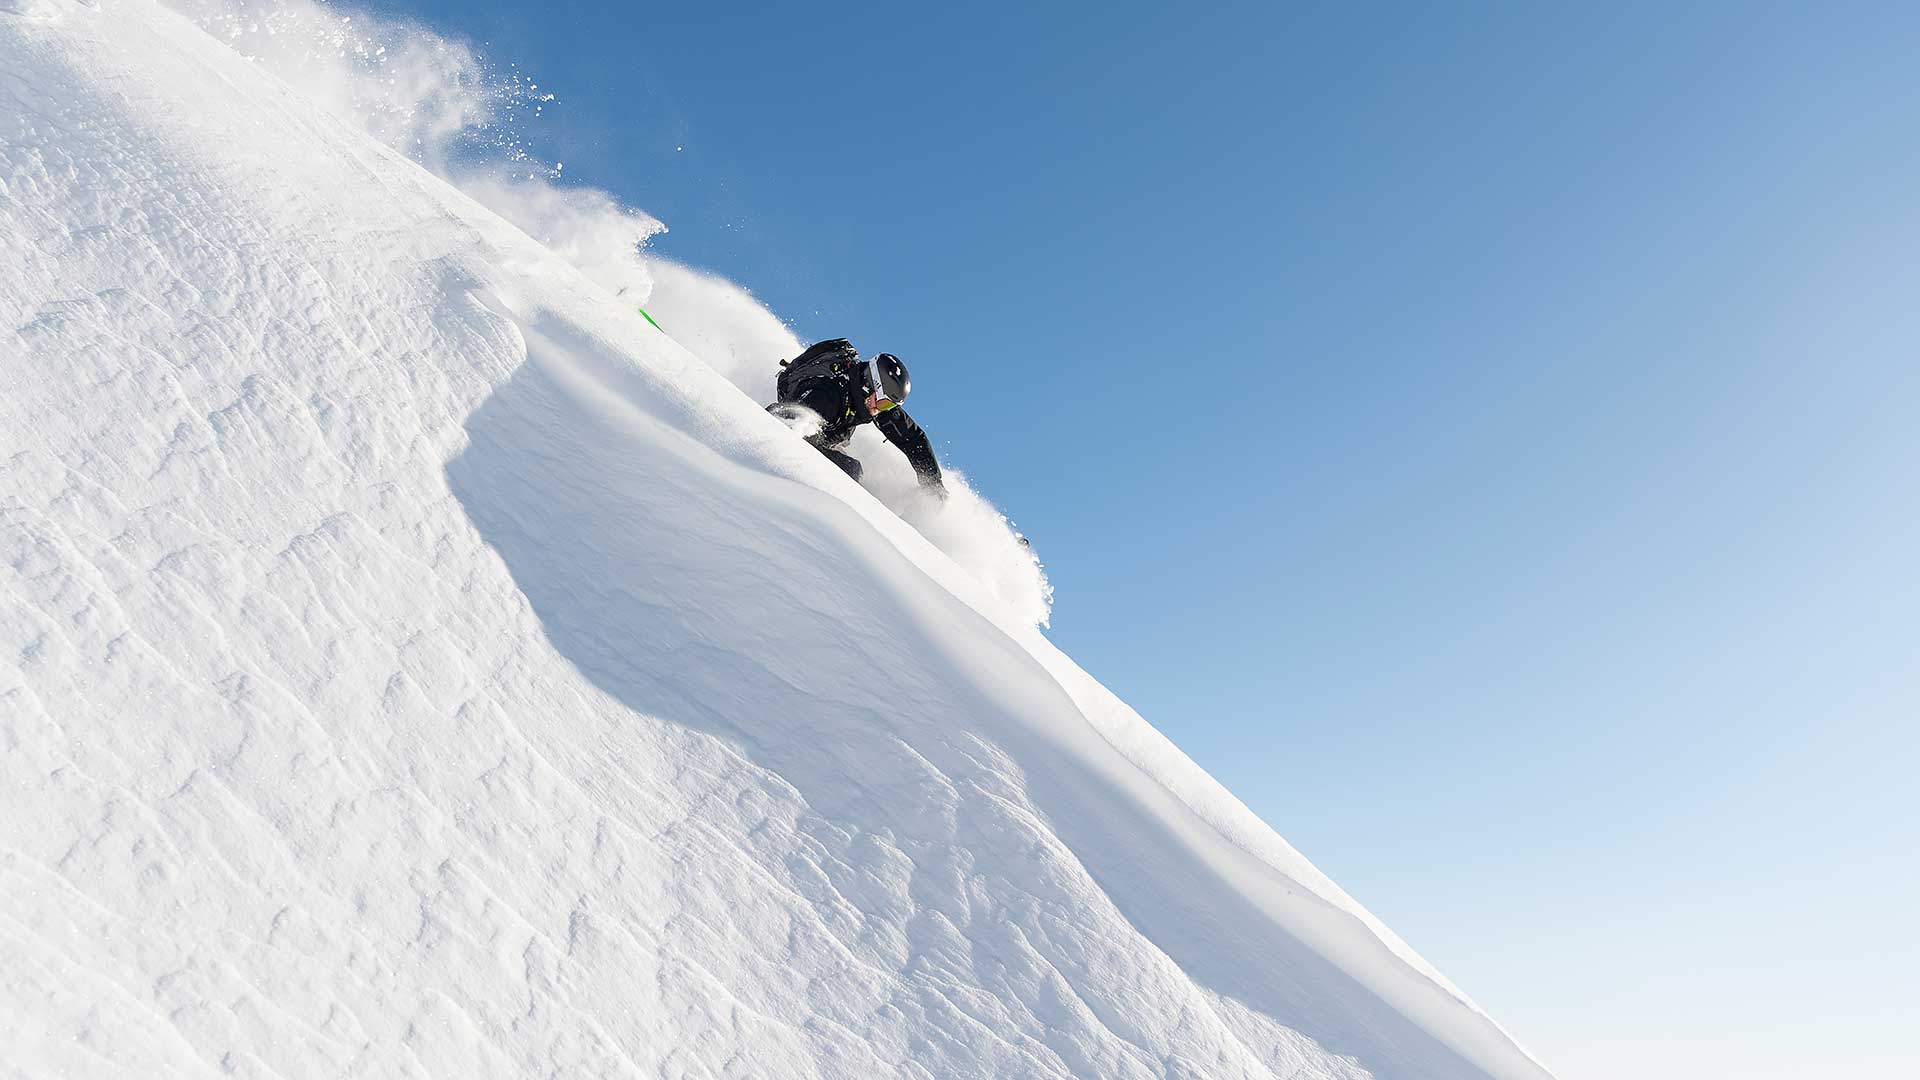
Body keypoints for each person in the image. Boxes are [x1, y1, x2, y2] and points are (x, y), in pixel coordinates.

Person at [768, 338, 945, 496]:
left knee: (849, 464)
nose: (883, 409)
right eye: (884, 403)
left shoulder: (872, 401)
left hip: (825, 433)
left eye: (890, 406)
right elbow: (782, 421)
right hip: (796, 447)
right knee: (851, 468)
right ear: (869, 384)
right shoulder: (826, 394)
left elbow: (912, 438)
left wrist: (933, 483)